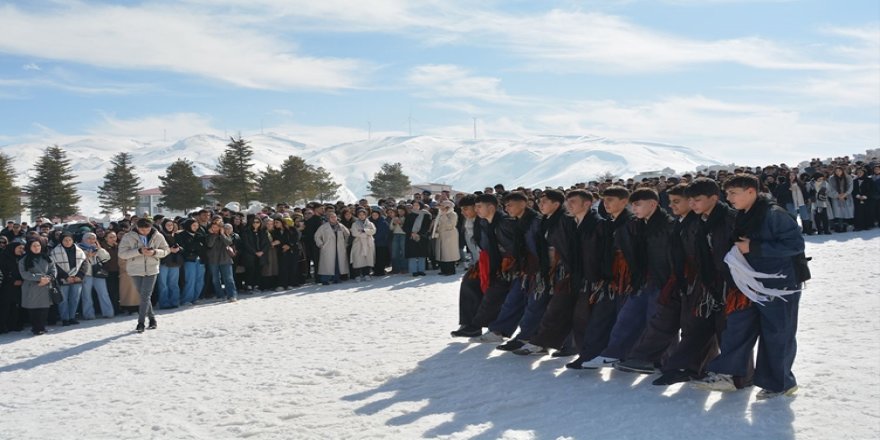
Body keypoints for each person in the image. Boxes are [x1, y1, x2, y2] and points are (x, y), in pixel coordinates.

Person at [693, 174, 804, 400]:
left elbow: (795, 244)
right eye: (727, 193)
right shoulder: (744, 214)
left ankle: (781, 383)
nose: (729, 198)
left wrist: (753, 247)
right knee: (738, 326)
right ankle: (728, 375)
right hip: (751, 283)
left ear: (751, 192)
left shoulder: (774, 214)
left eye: (733, 193)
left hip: (779, 284)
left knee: (777, 333)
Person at [566, 186, 636, 370]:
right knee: (600, 319)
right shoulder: (608, 223)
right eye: (604, 200)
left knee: (624, 319)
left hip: (623, 279)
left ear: (624, 201)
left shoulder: (626, 223)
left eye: (611, 200)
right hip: (606, 278)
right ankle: (590, 355)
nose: (606, 204)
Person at [118, 218, 169, 333]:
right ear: (137, 227)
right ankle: (152, 319)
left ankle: (140, 322)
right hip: (135, 269)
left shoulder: (158, 236)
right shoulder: (128, 237)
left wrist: (154, 252)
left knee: (145, 295)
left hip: (151, 269)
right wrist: (139, 251)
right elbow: (122, 254)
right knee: (144, 296)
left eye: (147, 229)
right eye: (142, 230)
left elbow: (166, 250)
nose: (145, 232)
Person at [19, 239, 56, 335]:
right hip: (32, 286)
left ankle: (42, 326)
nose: (36, 248)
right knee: (34, 309)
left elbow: (53, 269)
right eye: (34, 246)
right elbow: (24, 274)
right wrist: (40, 278)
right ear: (29, 247)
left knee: (44, 308)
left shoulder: (47, 257)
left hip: (46, 285)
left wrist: (48, 278)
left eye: (38, 246)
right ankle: (36, 328)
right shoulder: (24, 259)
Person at [50, 232, 86, 326]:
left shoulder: (79, 251)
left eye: (69, 240)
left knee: (75, 299)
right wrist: (66, 276)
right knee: (63, 300)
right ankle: (65, 318)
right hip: (63, 279)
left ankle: (72, 317)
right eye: (65, 240)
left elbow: (84, 263)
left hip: (77, 278)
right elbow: (54, 266)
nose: (67, 242)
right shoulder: (55, 251)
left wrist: (80, 275)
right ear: (61, 241)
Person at [78, 233, 114, 319]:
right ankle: (88, 314)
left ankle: (108, 313)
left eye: (93, 238)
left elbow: (107, 257)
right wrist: (87, 256)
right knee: (86, 295)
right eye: (89, 238)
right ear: (84, 239)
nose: (91, 240)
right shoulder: (78, 248)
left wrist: (100, 249)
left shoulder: (96, 248)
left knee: (104, 293)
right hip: (86, 274)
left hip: (98, 274)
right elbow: (77, 261)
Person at [204, 222, 238, 302]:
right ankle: (220, 295)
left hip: (225, 259)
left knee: (229, 278)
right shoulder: (209, 236)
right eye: (213, 227)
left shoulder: (225, 234)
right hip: (213, 259)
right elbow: (209, 244)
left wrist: (222, 234)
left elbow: (229, 242)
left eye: (217, 227)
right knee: (215, 279)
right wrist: (213, 235)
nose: (215, 229)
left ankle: (232, 295)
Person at [314, 213, 351, 285]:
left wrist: (345, 243)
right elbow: (317, 236)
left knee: (337, 263)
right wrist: (321, 244)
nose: (334, 218)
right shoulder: (323, 227)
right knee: (327, 264)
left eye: (335, 217)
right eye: (332, 217)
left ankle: (336, 278)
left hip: (339, 249)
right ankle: (325, 280)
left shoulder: (340, 226)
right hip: (328, 248)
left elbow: (347, 234)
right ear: (328, 218)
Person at [176, 219, 206, 305]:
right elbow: (184, 247)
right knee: (190, 280)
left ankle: (195, 298)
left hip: (200, 259)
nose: (195, 227)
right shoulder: (181, 235)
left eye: (197, 226)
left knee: (200, 280)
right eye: (193, 225)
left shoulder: (199, 235)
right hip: (189, 259)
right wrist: (196, 246)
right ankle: (186, 299)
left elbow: (204, 247)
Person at [156, 219, 183, 308]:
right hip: (164, 261)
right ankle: (164, 303)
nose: (170, 227)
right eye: (168, 225)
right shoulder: (160, 236)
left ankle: (175, 301)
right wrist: (169, 250)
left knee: (174, 283)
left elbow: (183, 246)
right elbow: (157, 248)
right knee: (163, 284)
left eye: (171, 225)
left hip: (175, 262)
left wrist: (179, 248)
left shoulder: (176, 235)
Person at [0, 240, 25, 333]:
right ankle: (3, 326)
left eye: (22, 248)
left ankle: (14, 325)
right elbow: (3, 272)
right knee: (5, 307)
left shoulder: (21, 258)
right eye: (19, 248)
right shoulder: (3, 257)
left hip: (19, 286)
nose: (21, 250)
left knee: (16, 306)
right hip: (6, 286)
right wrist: (12, 281)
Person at [240, 215, 269, 292]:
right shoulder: (246, 231)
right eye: (254, 222)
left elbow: (267, 243)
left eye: (258, 222)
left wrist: (262, 251)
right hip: (250, 255)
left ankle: (256, 285)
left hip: (261, 254)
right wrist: (255, 252)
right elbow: (246, 244)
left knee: (258, 270)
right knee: (250, 270)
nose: (256, 224)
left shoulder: (263, 232)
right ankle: (249, 285)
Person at [403, 201, 432, 277]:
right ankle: (413, 271)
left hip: (422, 237)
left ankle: (421, 270)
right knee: (412, 254)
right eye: (414, 205)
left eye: (417, 205)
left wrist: (418, 234)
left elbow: (426, 226)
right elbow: (405, 227)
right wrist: (411, 233)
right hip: (411, 237)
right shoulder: (409, 215)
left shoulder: (426, 215)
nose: (415, 206)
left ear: (421, 206)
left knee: (421, 254)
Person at [432, 200, 460, 276]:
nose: (442, 208)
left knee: (448, 253)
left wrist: (444, 216)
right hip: (441, 235)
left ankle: (450, 270)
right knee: (442, 253)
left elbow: (450, 225)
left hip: (449, 236)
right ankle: (444, 269)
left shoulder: (453, 214)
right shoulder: (440, 214)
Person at [349, 209, 377, 281]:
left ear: (366, 215)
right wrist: (366, 234)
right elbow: (354, 233)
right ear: (357, 216)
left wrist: (364, 231)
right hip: (359, 243)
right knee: (358, 259)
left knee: (367, 258)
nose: (361, 216)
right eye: (360, 215)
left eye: (363, 215)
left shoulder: (370, 223)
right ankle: (357, 275)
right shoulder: (354, 224)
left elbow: (373, 231)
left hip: (368, 243)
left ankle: (366, 274)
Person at [826, 166, 854, 232]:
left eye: (839, 171)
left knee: (846, 212)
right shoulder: (831, 178)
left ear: (842, 171)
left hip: (846, 197)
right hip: (836, 197)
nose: (838, 172)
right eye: (836, 171)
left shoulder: (848, 177)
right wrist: (838, 195)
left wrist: (845, 194)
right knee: (838, 213)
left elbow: (850, 187)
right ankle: (838, 227)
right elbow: (830, 188)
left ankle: (844, 226)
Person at [371, 209, 391, 276]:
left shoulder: (383, 222)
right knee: (375, 258)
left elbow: (383, 233)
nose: (374, 216)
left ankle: (381, 271)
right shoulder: (370, 222)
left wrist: (375, 238)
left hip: (382, 243)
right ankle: (375, 271)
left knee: (381, 258)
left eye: (376, 215)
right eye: (373, 215)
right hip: (373, 244)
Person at [390, 206, 408, 274]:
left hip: (404, 235)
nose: (400, 212)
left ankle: (405, 268)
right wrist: (394, 223)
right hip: (395, 235)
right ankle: (395, 269)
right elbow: (391, 228)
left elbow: (407, 228)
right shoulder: (394, 218)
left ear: (405, 211)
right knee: (394, 252)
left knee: (404, 252)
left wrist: (400, 223)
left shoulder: (406, 218)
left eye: (402, 211)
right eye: (399, 211)